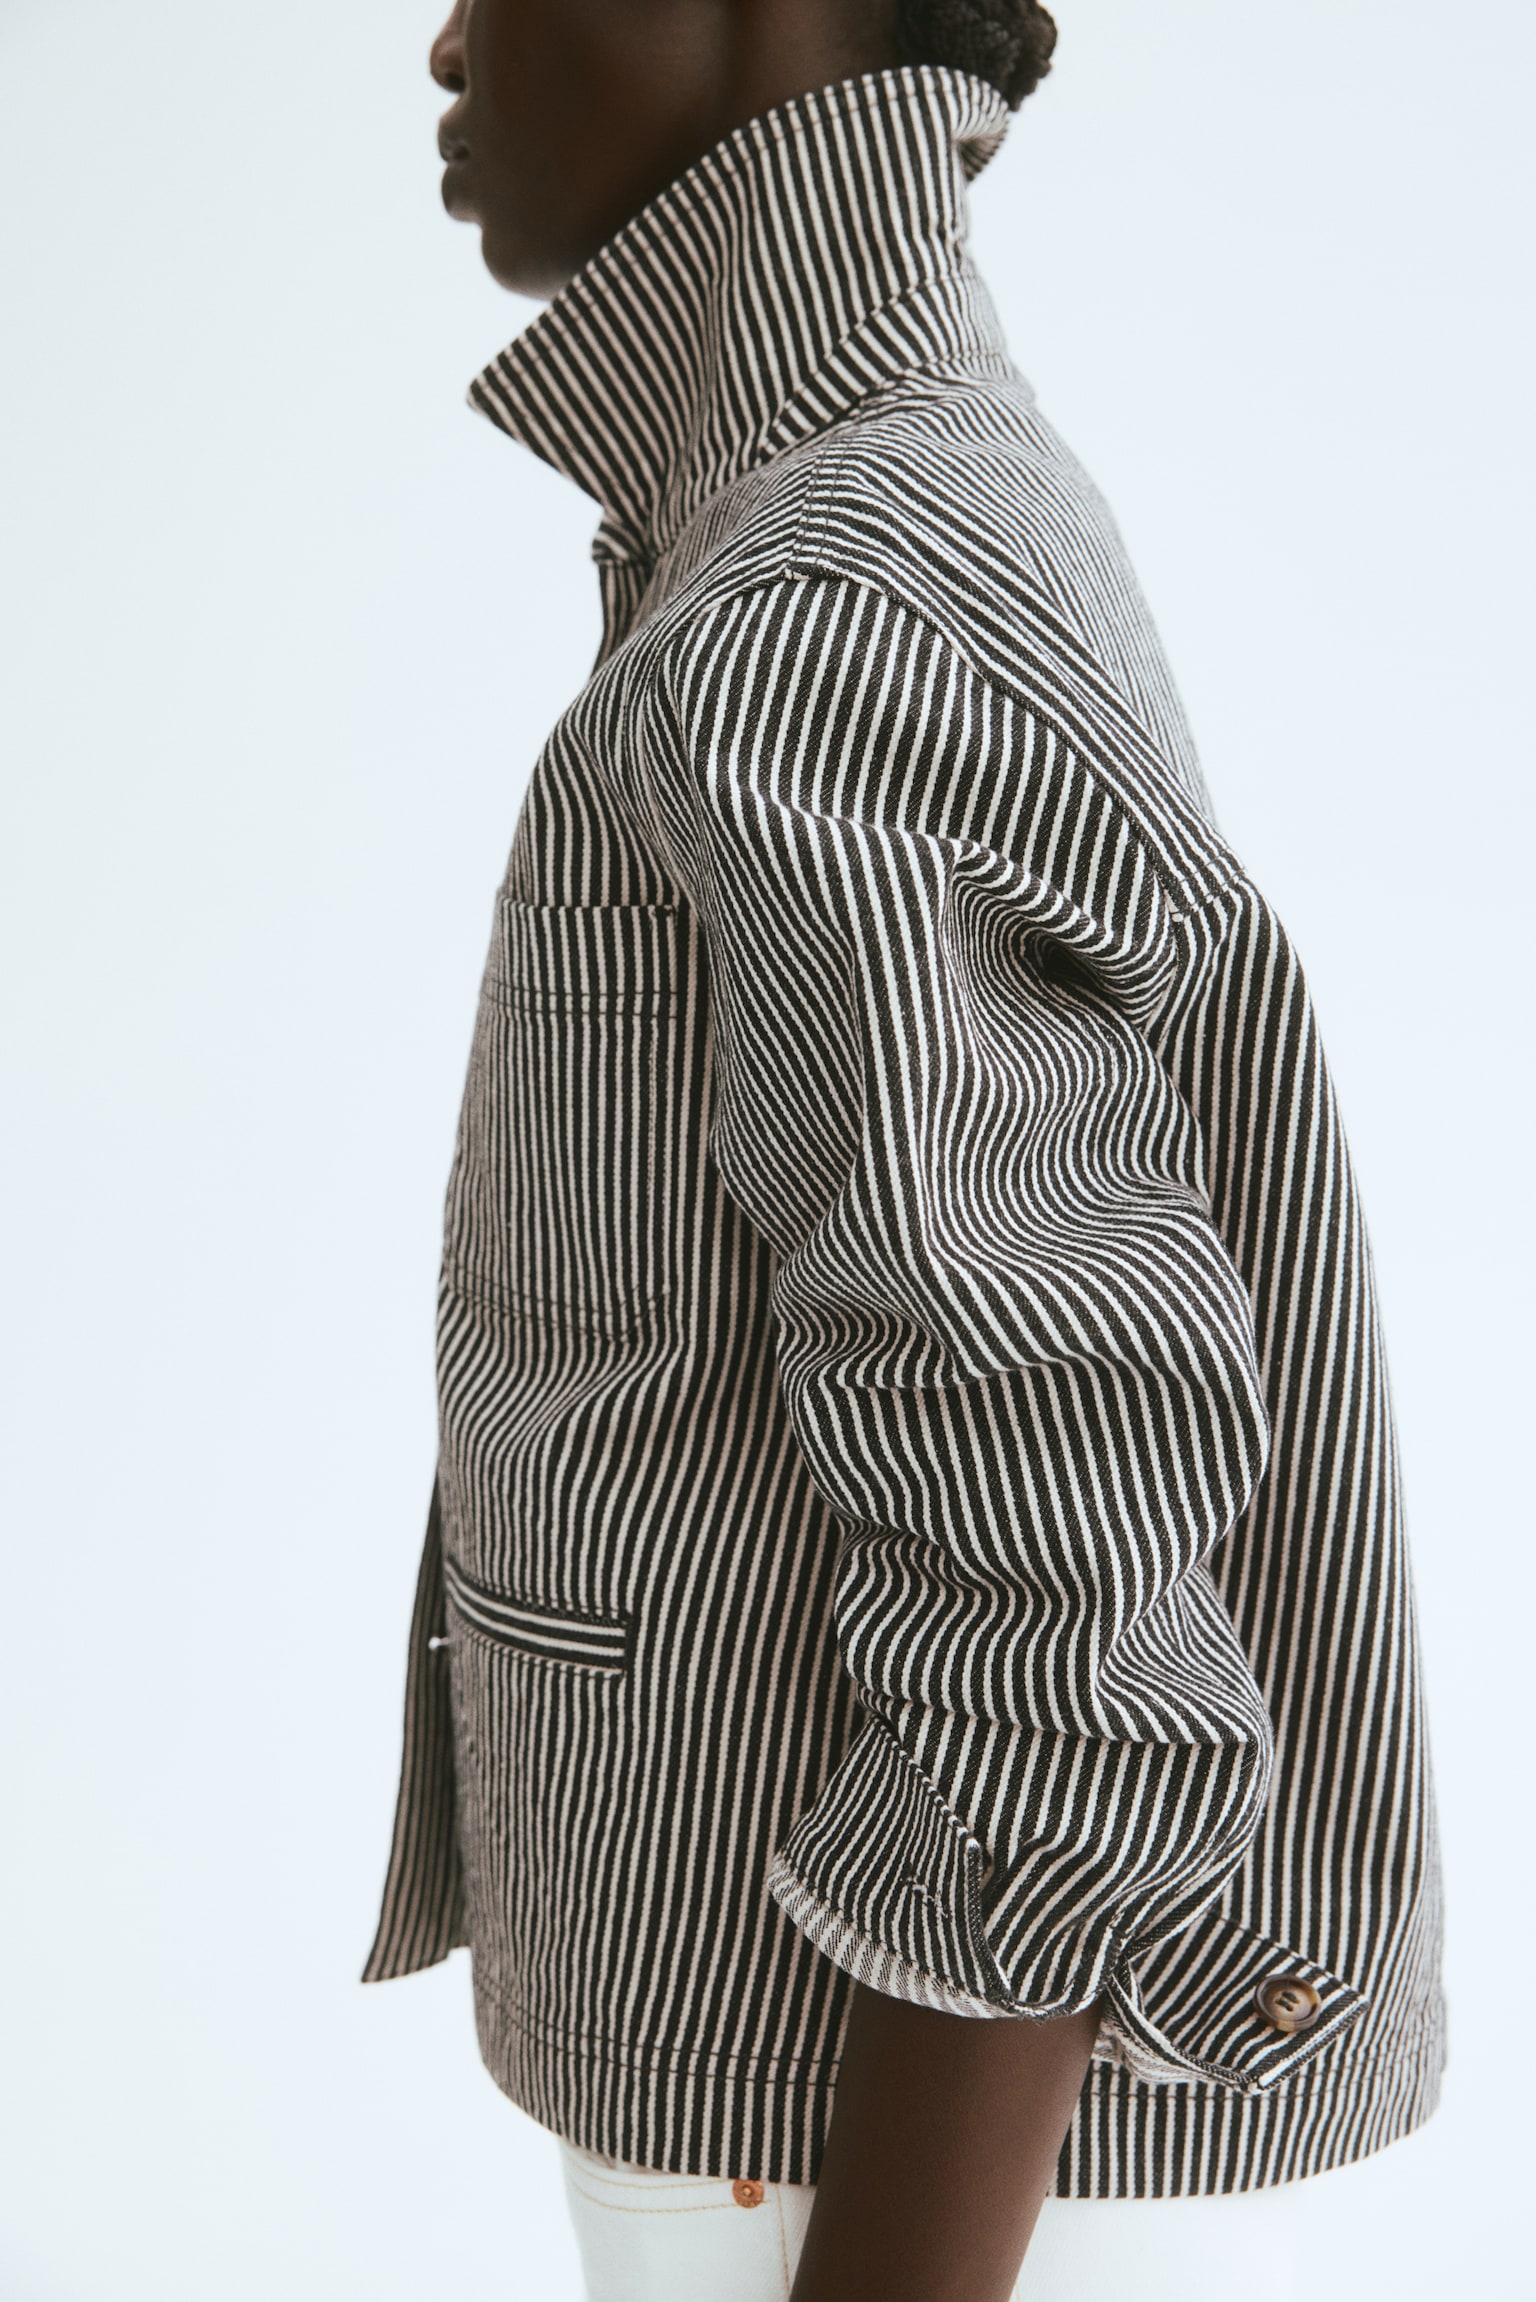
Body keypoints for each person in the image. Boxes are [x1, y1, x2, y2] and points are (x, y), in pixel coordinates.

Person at [364, 4, 1444, 2296]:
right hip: (847, 2095)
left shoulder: (816, 605)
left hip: (837, 2125)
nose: (448, 37)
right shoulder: (859, 515)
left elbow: (1050, 1513)